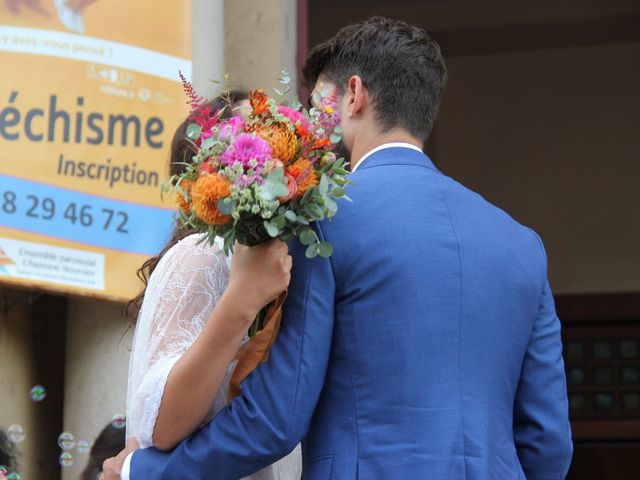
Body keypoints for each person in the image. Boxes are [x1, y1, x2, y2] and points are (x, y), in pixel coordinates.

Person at [105, 17, 573, 479]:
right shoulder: (523, 245)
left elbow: (275, 420)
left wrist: (142, 471)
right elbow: (549, 445)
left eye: (319, 103)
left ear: (354, 95)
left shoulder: (322, 224)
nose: (311, 125)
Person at [106, 92, 301, 479]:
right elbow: (162, 425)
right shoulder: (203, 255)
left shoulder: (270, 263)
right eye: (250, 139)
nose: (271, 156)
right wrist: (243, 300)